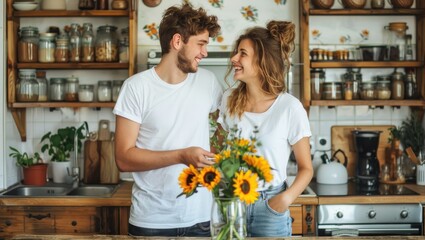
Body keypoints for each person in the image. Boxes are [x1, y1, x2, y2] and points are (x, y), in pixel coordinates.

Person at [113, 3, 222, 237]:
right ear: (177, 41)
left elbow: (226, 124)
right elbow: (123, 158)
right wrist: (182, 156)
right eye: (200, 44)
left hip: (201, 217)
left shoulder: (209, 82)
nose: (204, 53)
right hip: (152, 220)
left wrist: (213, 153)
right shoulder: (136, 88)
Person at [217, 20, 313, 237]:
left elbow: (306, 168)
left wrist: (284, 200)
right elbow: (219, 151)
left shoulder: (289, 107)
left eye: (242, 53)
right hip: (233, 203)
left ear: (262, 61)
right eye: (236, 52)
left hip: (270, 206)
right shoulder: (229, 100)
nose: (234, 59)